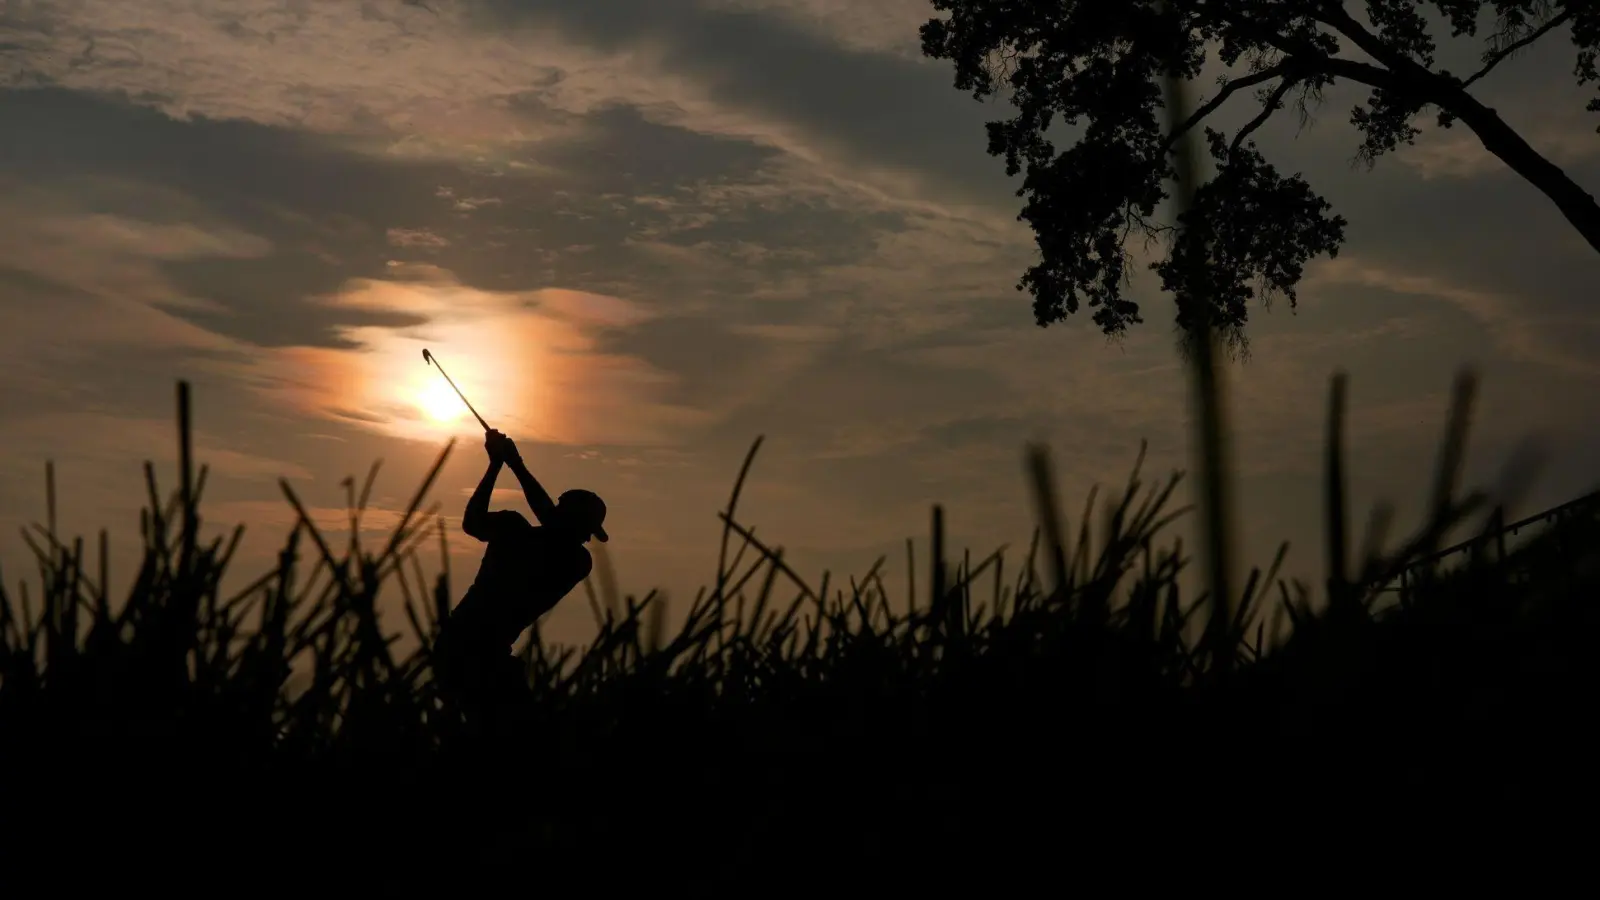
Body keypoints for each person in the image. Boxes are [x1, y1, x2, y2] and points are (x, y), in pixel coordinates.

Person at [433, 428, 608, 722]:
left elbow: (478, 522)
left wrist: (507, 464)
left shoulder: (571, 557)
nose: (585, 538)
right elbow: (475, 523)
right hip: (474, 652)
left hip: (466, 647)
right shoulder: (563, 552)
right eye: (585, 529)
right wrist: (502, 464)